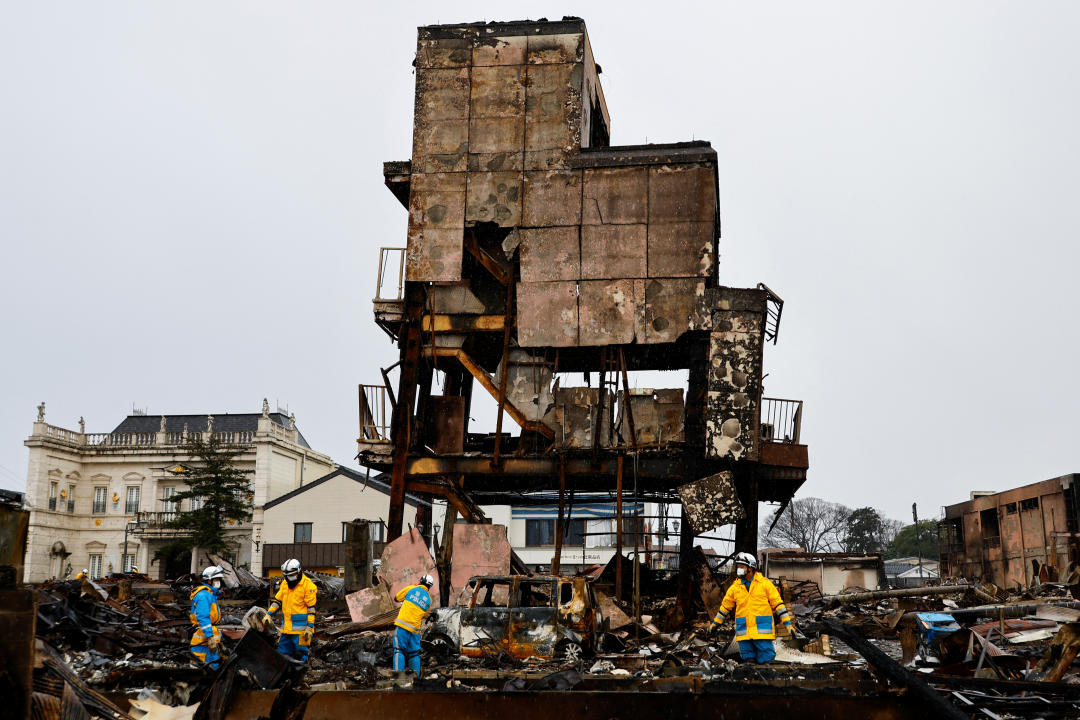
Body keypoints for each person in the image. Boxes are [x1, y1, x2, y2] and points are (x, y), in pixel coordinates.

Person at [708, 552, 794, 664]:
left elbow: (778, 604)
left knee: (766, 660)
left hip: (761, 631)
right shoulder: (735, 587)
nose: (739, 569)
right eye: (738, 566)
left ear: (751, 568)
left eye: (742, 567)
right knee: (748, 662)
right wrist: (716, 623)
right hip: (744, 631)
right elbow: (725, 607)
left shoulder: (765, 584)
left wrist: (788, 623)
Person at [267, 558, 317, 662]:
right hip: (286, 629)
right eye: (287, 576)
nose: (289, 578)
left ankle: (300, 674)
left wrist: (309, 627)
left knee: (301, 655)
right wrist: (268, 614)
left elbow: (311, 608)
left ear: (299, 572)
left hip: (301, 631)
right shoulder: (285, 584)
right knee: (282, 654)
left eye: (291, 575)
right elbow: (278, 601)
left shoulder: (308, 585)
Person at [392, 574, 434, 677]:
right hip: (415, 629)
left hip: (402, 625)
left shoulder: (411, 588)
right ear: (430, 586)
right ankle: (416, 679)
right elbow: (424, 614)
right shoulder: (429, 599)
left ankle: (398, 677)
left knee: (398, 650)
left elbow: (396, 598)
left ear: (421, 581)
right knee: (414, 654)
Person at [190, 566, 225, 669]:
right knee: (206, 669)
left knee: (213, 667)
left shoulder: (208, 594)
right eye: (216, 579)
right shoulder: (204, 596)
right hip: (204, 639)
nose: (219, 582)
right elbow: (203, 617)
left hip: (207, 638)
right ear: (209, 581)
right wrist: (209, 636)